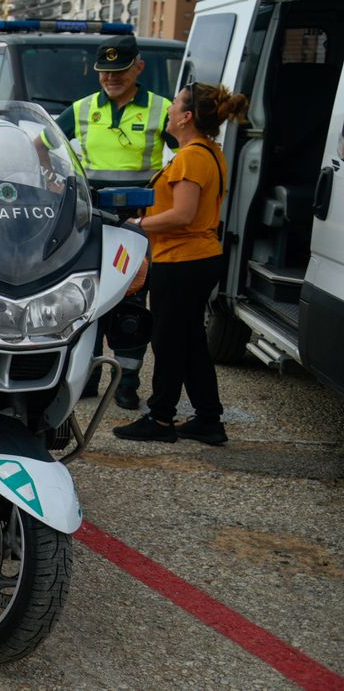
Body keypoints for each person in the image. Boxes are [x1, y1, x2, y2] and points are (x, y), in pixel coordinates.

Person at [114, 83, 248, 446]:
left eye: (175, 104)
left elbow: (184, 215)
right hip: (197, 259)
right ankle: (208, 418)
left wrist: (137, 225)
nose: (170, 109)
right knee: (190, 342)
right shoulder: (209, 152)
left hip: (183, 260)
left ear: (187, 117)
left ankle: (160, 419)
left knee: (169, 341)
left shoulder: (192, 157)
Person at [53, 35, 175, 410]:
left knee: (131, 303)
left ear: (138, 67)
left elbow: (186, 157)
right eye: (104, 72)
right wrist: (56, 182)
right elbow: (44, 144)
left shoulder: (162, 109)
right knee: (87, 298)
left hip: (138, 223)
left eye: (119, 71)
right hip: (91, 219)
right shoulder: (82, 109)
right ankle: (86, 377)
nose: (110, 79)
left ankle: (126, 381)